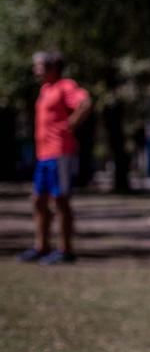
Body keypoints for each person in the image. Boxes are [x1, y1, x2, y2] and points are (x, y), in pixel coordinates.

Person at [18, 51, 91, 265]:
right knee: (38, 200)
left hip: (60, 153)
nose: (35, 70)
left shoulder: (64, 86)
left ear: (52, 67)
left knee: (61, 200)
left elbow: (85, 102)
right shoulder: (45, 89)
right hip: (44, 154)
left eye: (39, 66)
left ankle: (66, 250)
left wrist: (71, 124)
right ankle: (41, 247)